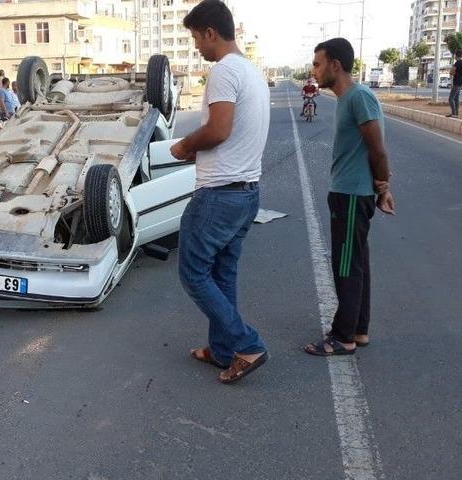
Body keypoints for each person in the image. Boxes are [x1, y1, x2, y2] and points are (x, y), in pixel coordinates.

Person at [169, 0, 269, 384]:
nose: (196, 46)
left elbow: (219, 129)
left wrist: (186, 147)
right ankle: (224, 350)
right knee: (222, 272)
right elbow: (238, 134)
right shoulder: (251, 72)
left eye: (196, 37)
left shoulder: (224, 71)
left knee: (193, 273)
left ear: (210, 32)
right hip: (246, 192)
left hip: (218, 196)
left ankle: (247, 343)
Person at [304, 37, 395, 356]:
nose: (313, 70)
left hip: (352, 195)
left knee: (346, 266)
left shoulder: (359, 97)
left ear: (335, 65)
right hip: (349, 192)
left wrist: (382, 187)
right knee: (356, 262)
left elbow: (378, 149)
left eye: (317, 63)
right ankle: (358, 329)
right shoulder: (348, 99)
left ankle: (343, 337)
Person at [447, 50, 462, 118]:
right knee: (456, 99)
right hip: (460, 83)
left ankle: (453, 113)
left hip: (456, 83)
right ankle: (456, 113)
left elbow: (451, 72)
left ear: (456, 56)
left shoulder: (457, 63)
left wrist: (452, 71)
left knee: (450, 99)